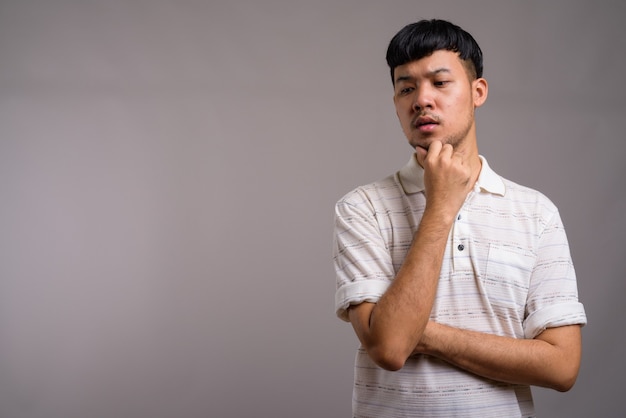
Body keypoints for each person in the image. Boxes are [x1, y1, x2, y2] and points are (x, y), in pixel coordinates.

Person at [333, 19, 587, 417]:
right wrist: (440, 208)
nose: (421, 99)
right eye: (406, 88)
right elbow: (391, 349)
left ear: (477, 91)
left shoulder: (536, 213)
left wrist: (424, 333)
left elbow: (562, 366)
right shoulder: (362, 208)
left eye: (440, 82)